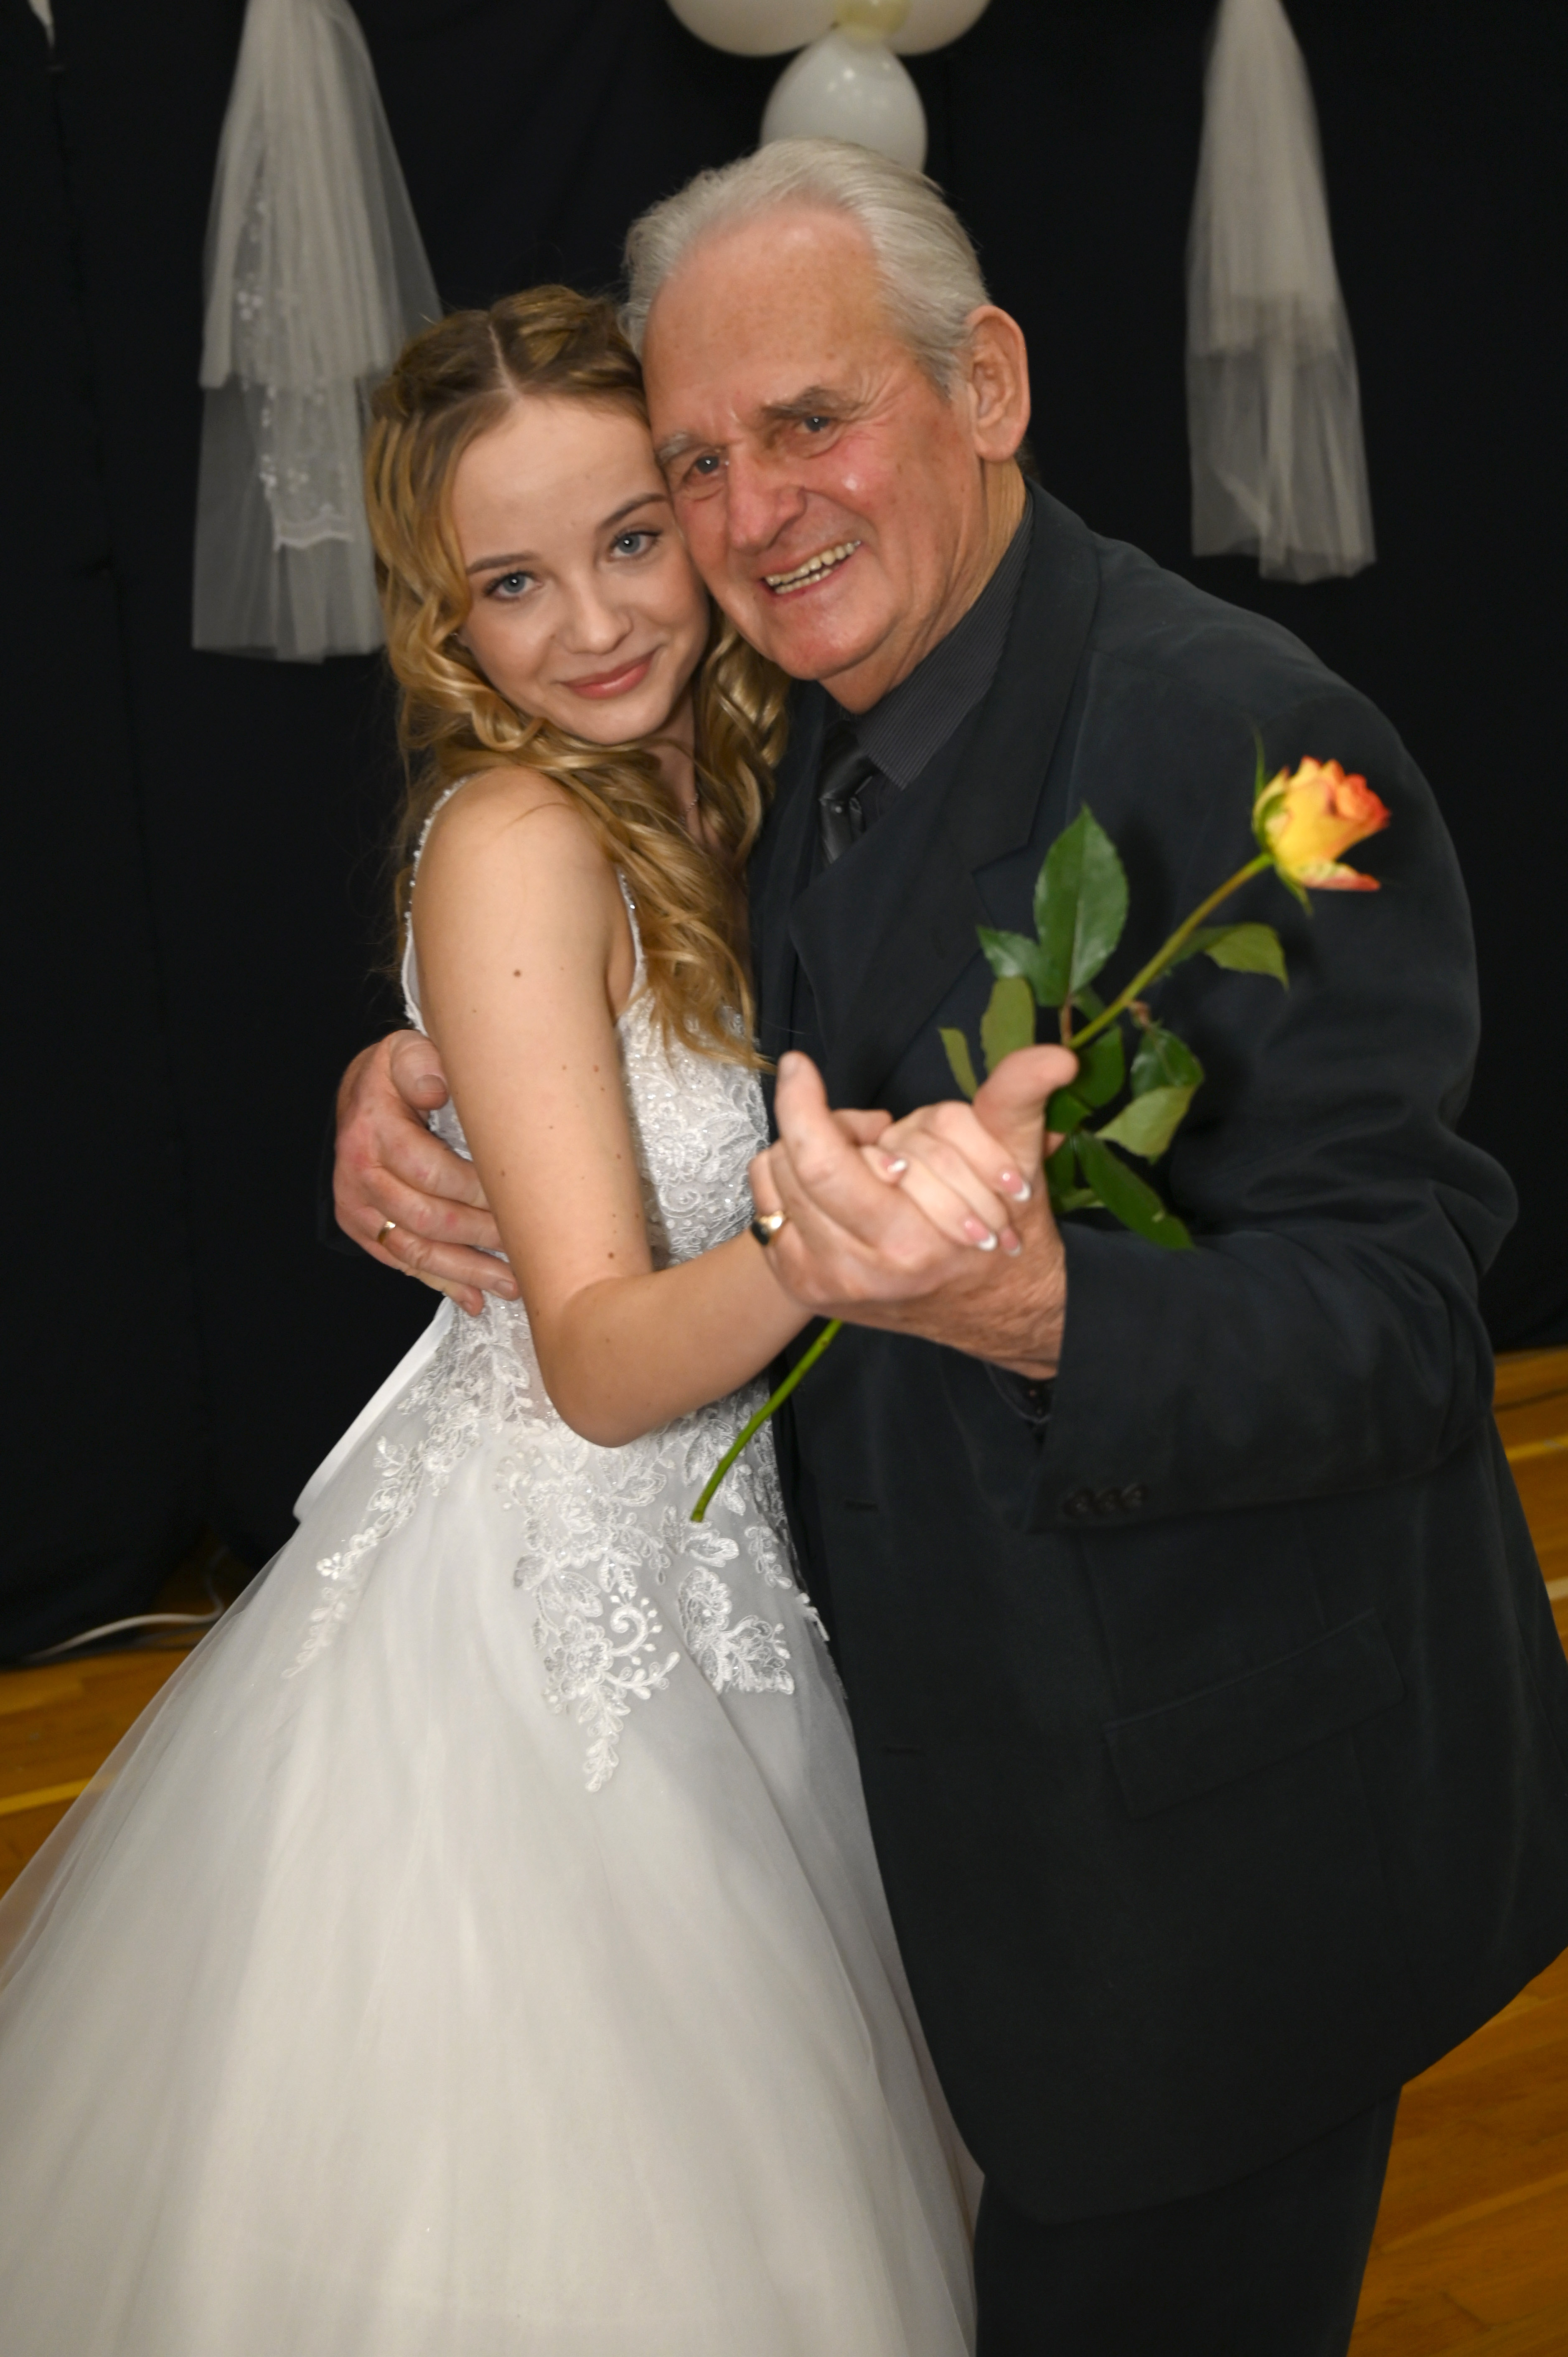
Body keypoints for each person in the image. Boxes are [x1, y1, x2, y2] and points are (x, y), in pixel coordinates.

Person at [338, 144, 1568, 2355]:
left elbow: (1400, 1322)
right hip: (914, 1822)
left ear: (983, 384)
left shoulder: (1232, 737)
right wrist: (423, 1065)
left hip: (1211, 1869)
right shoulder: (768, 718)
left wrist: (1037, 1306)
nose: (751, 512)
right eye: (697, 462)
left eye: (811, 420)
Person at [0, 287, 994, 2356]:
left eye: (631, 538)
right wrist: (828, 1241)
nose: (599, 621)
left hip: (741, 1584)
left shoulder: (743, 770)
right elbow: (599, 1362)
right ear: (445, 618)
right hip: (551, 1635)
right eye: (516, 582)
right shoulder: (520, 837)